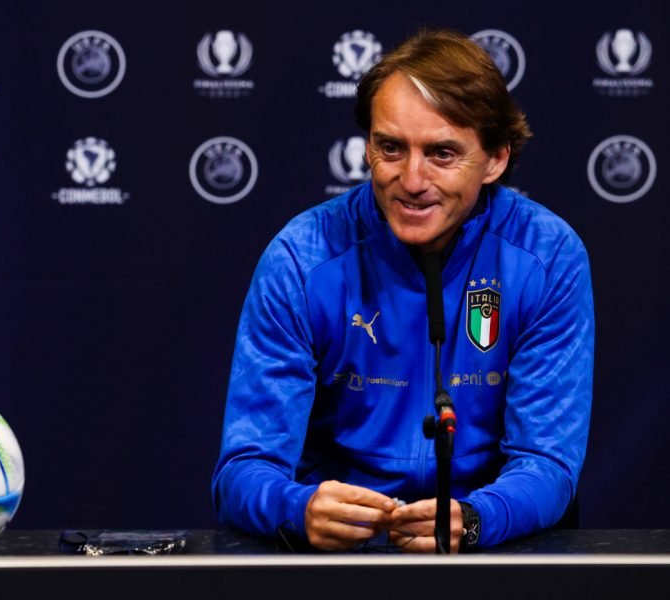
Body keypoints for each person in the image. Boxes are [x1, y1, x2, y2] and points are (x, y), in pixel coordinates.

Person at [211, 29, 594, 553]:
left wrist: (477, 519)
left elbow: (547, 463)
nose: (412, 180)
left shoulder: (548, 256)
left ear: (496, 159)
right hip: (339, 559)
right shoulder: (301, 258)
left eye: (442, 153)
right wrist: (297, 508)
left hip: (487, 552)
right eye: (390, 148)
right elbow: (244, 468)